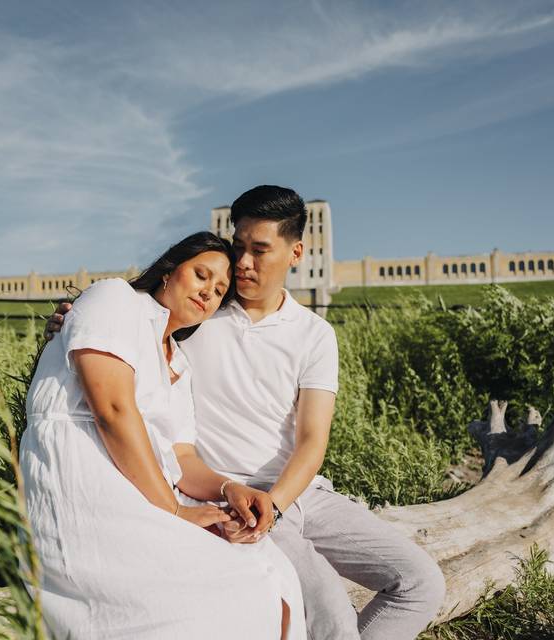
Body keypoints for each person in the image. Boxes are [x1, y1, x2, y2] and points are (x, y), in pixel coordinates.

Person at [47, 186, 445, 640]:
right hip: (231, 494)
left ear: (295, 252)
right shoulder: (199, 314)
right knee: (330, 612)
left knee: (420, 582)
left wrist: (277, 503)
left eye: (259, 250)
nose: (242, 264)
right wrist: (72, 322)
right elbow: (133, 336)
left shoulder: (315, 335)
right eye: (238, 248)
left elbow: (313, 441)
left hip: (298, 493)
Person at [22, 231, 303, 640]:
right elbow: (113, 412)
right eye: (201, 275)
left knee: (270, 575)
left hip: (146, 486)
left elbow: (183, 459)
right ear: (169, 272)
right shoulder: (114, 299)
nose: (209, 292)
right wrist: (172, 512)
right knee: (216, 599)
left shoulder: (181, 364)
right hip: (83, 480)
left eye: (220, 290)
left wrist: (229, 488)